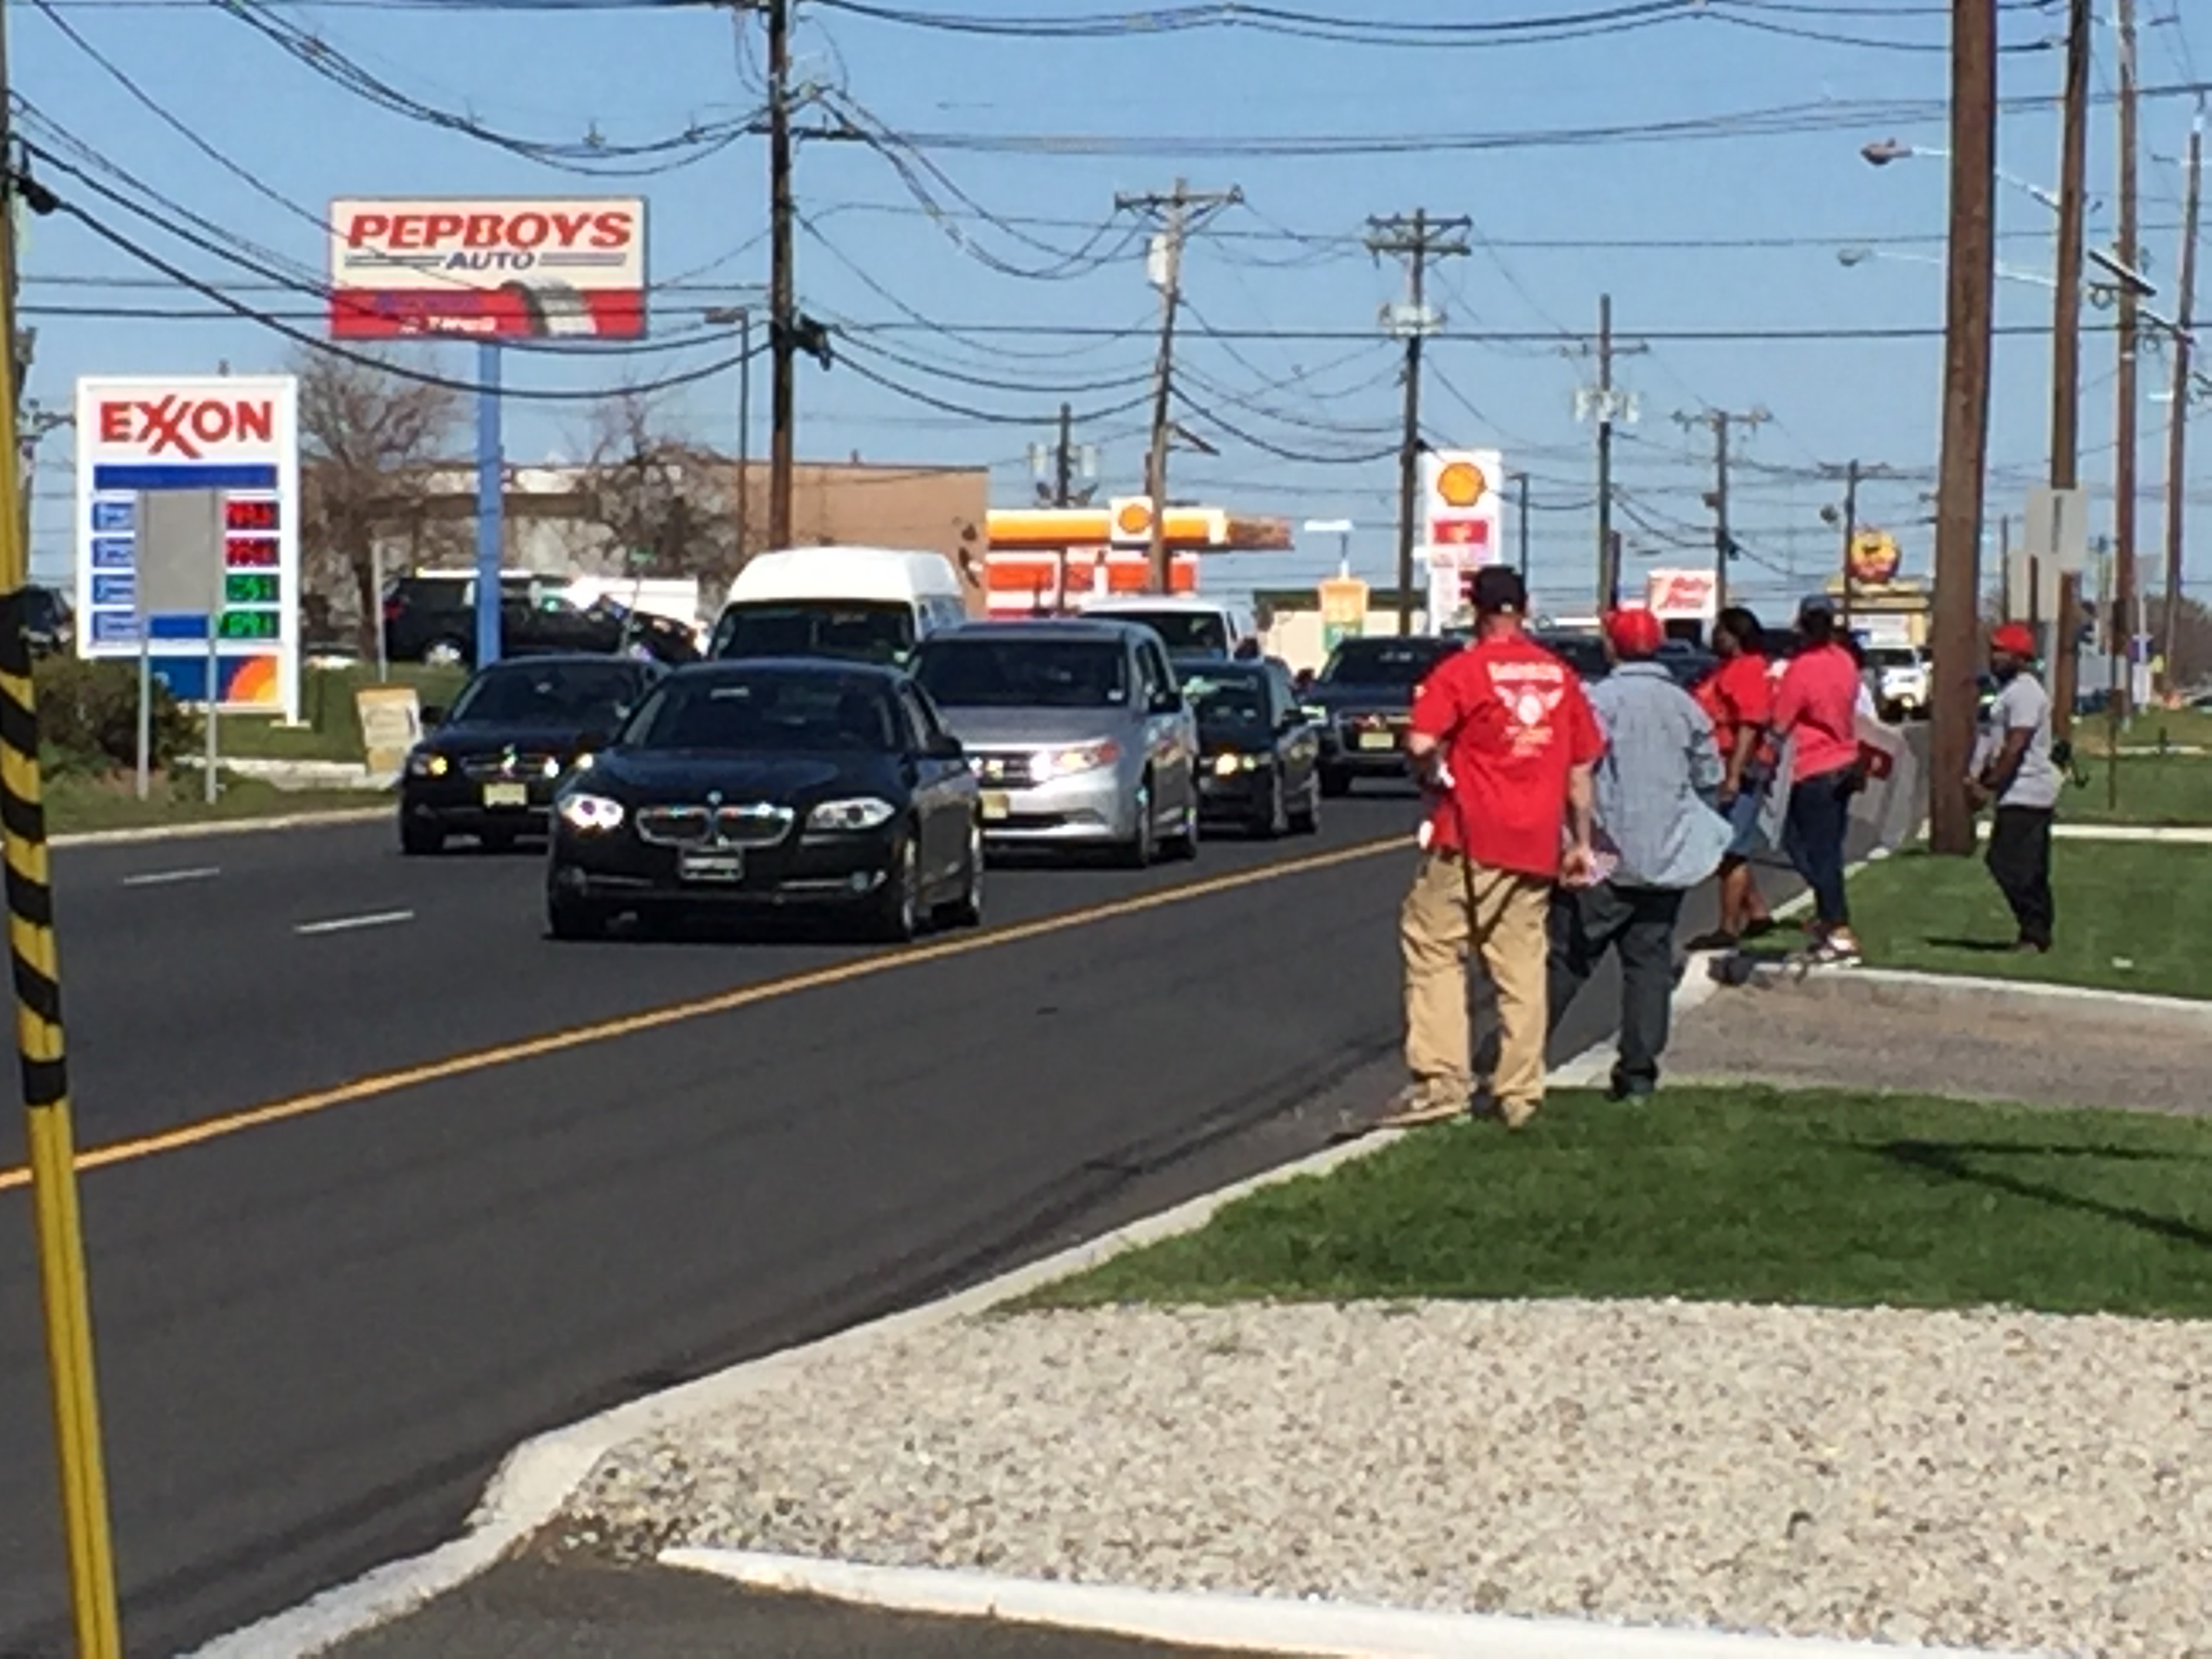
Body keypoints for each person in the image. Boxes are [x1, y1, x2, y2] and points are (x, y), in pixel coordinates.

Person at [1383, 567, 1603, 1131]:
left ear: (1474, 609)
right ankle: (1520, 1092)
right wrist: (1580, 843)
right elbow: (1581, 768)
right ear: (1524, 608)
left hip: (1471, 834)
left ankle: (1441, 1081)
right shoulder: (1560, 676)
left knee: (1432, 943)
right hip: (1537, 842)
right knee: (1522, 966)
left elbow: (1421, 740)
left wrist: (1431, 773)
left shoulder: (1462, 672)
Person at [1549, 607, 1734, 1101]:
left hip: (1604, 853)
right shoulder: (1686, 706)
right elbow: (1709, 776)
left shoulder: (1595, 701)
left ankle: (1513, 1061)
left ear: (1614, 647)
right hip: (1666, 858)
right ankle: (1638, 1077)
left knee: (1566, 961)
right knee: (1648, 968)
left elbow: (1572, 771)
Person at [1771, 600, 1864, 965]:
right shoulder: (1844, 661)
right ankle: (1829, 919)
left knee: (1802, 845)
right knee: (1828, 848)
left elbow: (1781, 722)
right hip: (1845, 762)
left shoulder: (1801, 670)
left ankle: (1837, 925)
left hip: (1812, 768)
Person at [1686, 606, 1776, 951]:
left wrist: (1735, 774)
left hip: (1736, 766)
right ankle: (1757, 911)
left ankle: (1728, 927)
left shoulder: (1747, 670)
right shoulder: (1728, 670)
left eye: (1721, 630)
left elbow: (1749, 726)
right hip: (1719, 765)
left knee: (1730, 849)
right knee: (1726, 844)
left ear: (1736, 635)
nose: (1714, 636)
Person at [1969, 622, 2060, 953]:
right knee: (2025, 866)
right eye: (1993, 651)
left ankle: (2035, 930)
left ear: (2021, 657)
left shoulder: (2024, 692)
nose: (1994, 658)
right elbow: (1990, 737)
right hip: (2015, 792)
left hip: (2028, 790)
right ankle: (2035, 932)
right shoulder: (2007, 691)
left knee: (2008, 863)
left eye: (2002, 652)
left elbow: (2015, 745)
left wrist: (1989, 785)